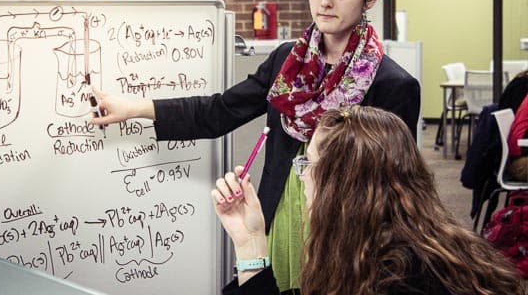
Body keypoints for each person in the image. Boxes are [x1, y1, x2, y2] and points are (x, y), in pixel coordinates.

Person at [92, 0, 420, 293]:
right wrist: (136, 109)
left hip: (348, 229)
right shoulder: (287, 61)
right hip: (280, 213)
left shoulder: (394, 84)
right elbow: (219, 111)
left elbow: (397, 188)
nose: (324, 2)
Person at [212, 106, 524, 295]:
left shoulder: (394, 278)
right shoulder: (407, 247)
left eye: (308, 165)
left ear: (343, 184)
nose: (301, 177)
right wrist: (251, 242)